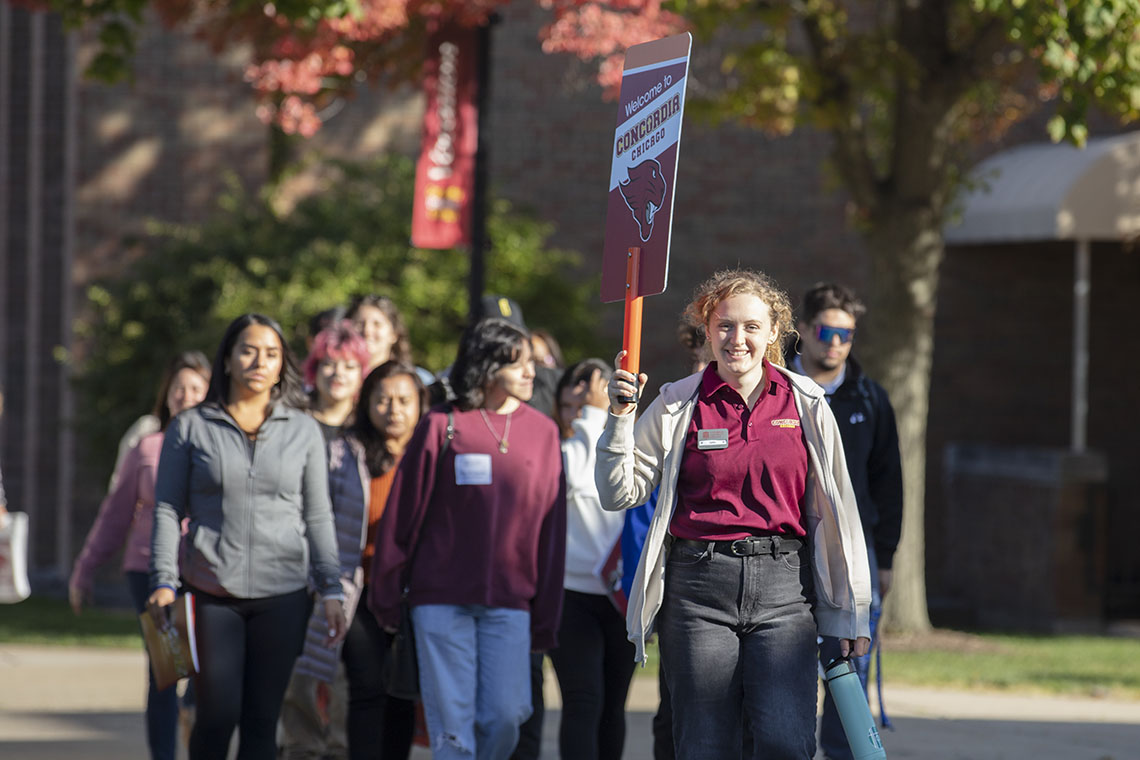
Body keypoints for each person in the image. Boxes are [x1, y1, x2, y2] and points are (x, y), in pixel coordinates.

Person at [596, 268, 872, 759]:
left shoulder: (805, 402)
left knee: (786, 741)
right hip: (698, 590)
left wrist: (852, 610)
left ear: (774, 333)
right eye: (724, 325)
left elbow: (841, 513)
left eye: (750, 327)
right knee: (704, 746)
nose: (736, 339)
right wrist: (619, 419)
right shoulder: (677, 403)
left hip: (787, 590)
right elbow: (619, 492)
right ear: (707, 330)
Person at [148, 313, 348, 760]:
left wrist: (331, 587)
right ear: (228, 359)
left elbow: (318, 515)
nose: (260, 361)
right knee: (217, 716)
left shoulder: (304, 430)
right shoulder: (191, 427)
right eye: (249, 350)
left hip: (284, 595)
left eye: (272, 353)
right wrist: (163, 581)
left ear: (283, 365)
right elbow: (166, 509)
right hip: (211, 592)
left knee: (261, 722)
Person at [370, 317, 567, 760]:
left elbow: (552, 532)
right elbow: (403, 515)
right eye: (519, 364)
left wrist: (547, 612)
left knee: (504, 717)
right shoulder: (441, 424)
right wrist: (385, 592)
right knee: (452, 729)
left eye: (532, 363)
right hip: (439, 599)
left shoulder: (544, 431)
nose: (531, 373)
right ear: (486, 364)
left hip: (511, 602)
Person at [68, 351, 210, 760]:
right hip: (150, 571)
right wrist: (84, 570)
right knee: (166, 670)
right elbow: (114, 515)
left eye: (196, 389)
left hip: (207, 571)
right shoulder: (146, 447)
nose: (186, 396)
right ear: (166, 396)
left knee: (207, 669)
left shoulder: (224, 447)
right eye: (178, 389)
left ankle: (195, 724)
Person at [791, 282, 903, 760]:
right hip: (788, 543)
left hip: (856, 550)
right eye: (825, 330)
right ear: (802, 330)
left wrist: (887, 556)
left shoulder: (869, 399)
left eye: (846, 334)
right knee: (784, 660)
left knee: (849, 661)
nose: (835, 342)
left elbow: (889, 480)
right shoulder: (777, 390)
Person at [280, 321, 372, 760]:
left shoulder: (367, 433)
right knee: (296, 679)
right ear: (315, 370)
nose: (338, 374)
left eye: (350, 366)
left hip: (352, 579)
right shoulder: (292, 424)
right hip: (292, 570)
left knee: (342, 686)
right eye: (330, 364)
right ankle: (299, 751)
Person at [330, 360, 426, 760]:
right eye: (383, 399)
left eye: (404, 400)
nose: (393, 409)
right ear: (367, 401)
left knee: (403, 694)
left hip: (415, 597)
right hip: (361, 592)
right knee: (367, 690)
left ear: (421, 404)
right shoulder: (344, 454)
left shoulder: (432, 453)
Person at [549, 359, 636, 760]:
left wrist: (605, 417)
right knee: (583, 701)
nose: (577, 415)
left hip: (620, 593)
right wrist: (592, 417)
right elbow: (578, 473)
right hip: (571, 596)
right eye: (570, 407)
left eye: (584, 405)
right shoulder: (559, 452)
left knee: (613, 706)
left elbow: (610, 479)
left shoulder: (627, 445)